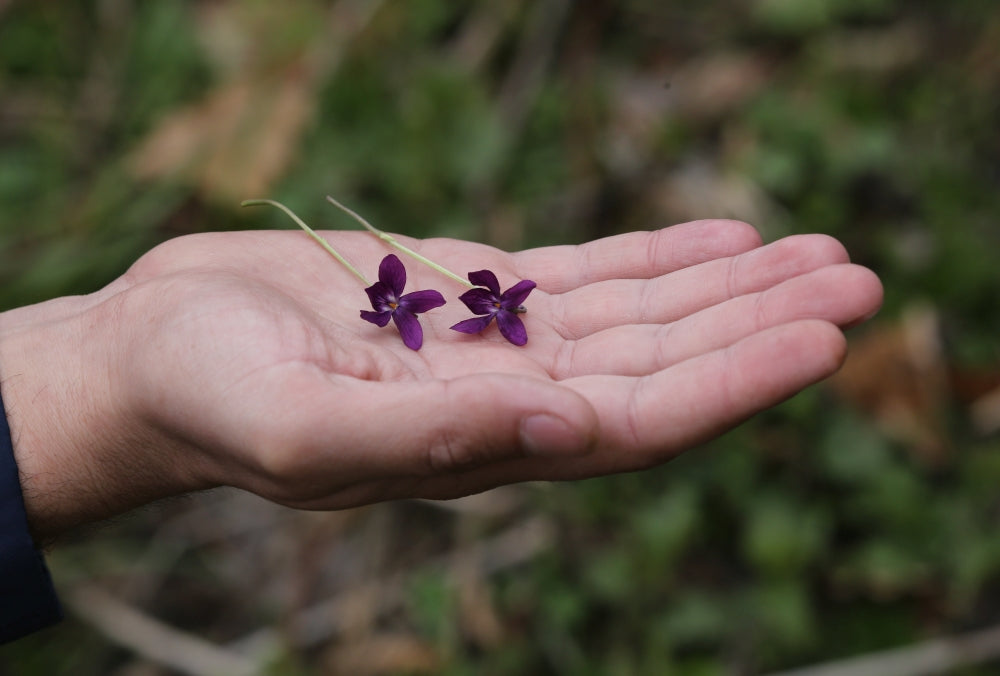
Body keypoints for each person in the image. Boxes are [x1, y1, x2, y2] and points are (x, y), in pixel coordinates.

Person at [0, 219, 883, 642]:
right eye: (391, 301)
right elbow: (400, 303)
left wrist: (93, 367)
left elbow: (453, 307)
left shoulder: (447, 306)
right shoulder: (406, 309)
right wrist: (105, 374)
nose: (395, 305)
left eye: (399, 299)